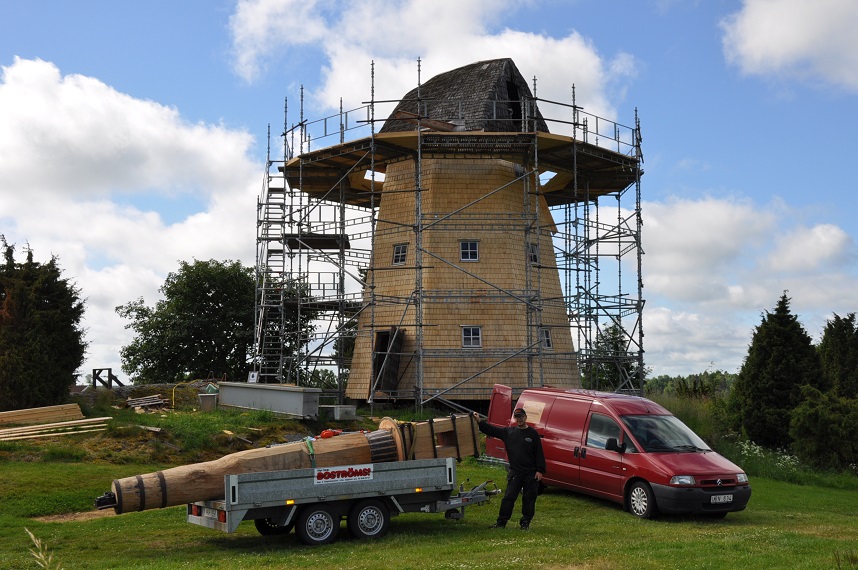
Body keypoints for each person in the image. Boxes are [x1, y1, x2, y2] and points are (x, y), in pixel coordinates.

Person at [477, 407, 546, 530]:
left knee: (529, 499)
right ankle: (501, 523)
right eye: (517, 417)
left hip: (530, 473)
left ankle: (525, 523)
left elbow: (539, 453)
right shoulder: (509, 432)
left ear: (525, 417)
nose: (519, 419)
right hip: (515, 473)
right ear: (515, 419)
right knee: (508, 498)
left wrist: (540, 470)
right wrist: (479, 421)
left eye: (521, 417)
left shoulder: (533, 434)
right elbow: (491, 430)